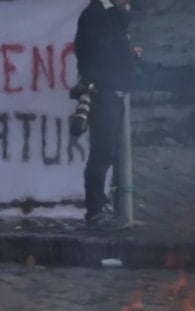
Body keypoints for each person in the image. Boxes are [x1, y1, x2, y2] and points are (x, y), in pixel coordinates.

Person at [74, 0, 138, 229]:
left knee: (106, 153)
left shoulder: (109, 14)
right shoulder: (96, 14)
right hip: (104, 93)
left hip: (110, 91)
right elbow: (95, 53)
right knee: (101, 153)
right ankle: (95, 212)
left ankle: (100, 207)